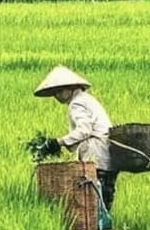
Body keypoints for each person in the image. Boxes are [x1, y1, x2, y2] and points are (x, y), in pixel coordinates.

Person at [34, 65, 117, 215]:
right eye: (54, 92)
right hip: (108, 153)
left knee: (95, 194)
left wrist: (58, 142)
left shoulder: (76, 103)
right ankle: (104, 228)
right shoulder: (87, 99)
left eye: (59, 91)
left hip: (96, 153)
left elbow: (84, 130)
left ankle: (97, 229)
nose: (57, 96)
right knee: (105, 192)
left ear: (71, 87)